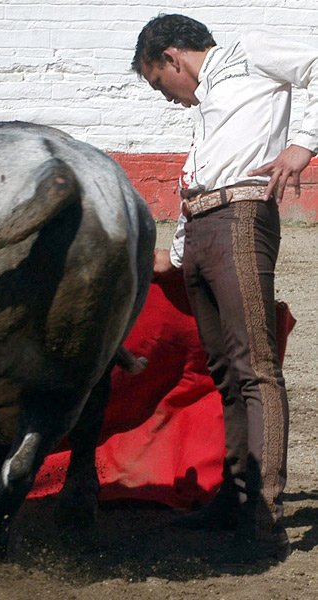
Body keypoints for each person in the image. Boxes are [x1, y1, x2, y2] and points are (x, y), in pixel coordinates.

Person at [132, 14, 318, 561]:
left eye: (156, 82)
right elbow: (204, 175)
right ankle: (236, 499)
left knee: (254, 367)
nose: (165, 97)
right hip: (206, 225)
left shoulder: (247, 48)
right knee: (226, 371)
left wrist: (303, 144)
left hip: (241, 217)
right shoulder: (210, 97)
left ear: (171, 58)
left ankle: (263, 521)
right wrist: (177, 255)